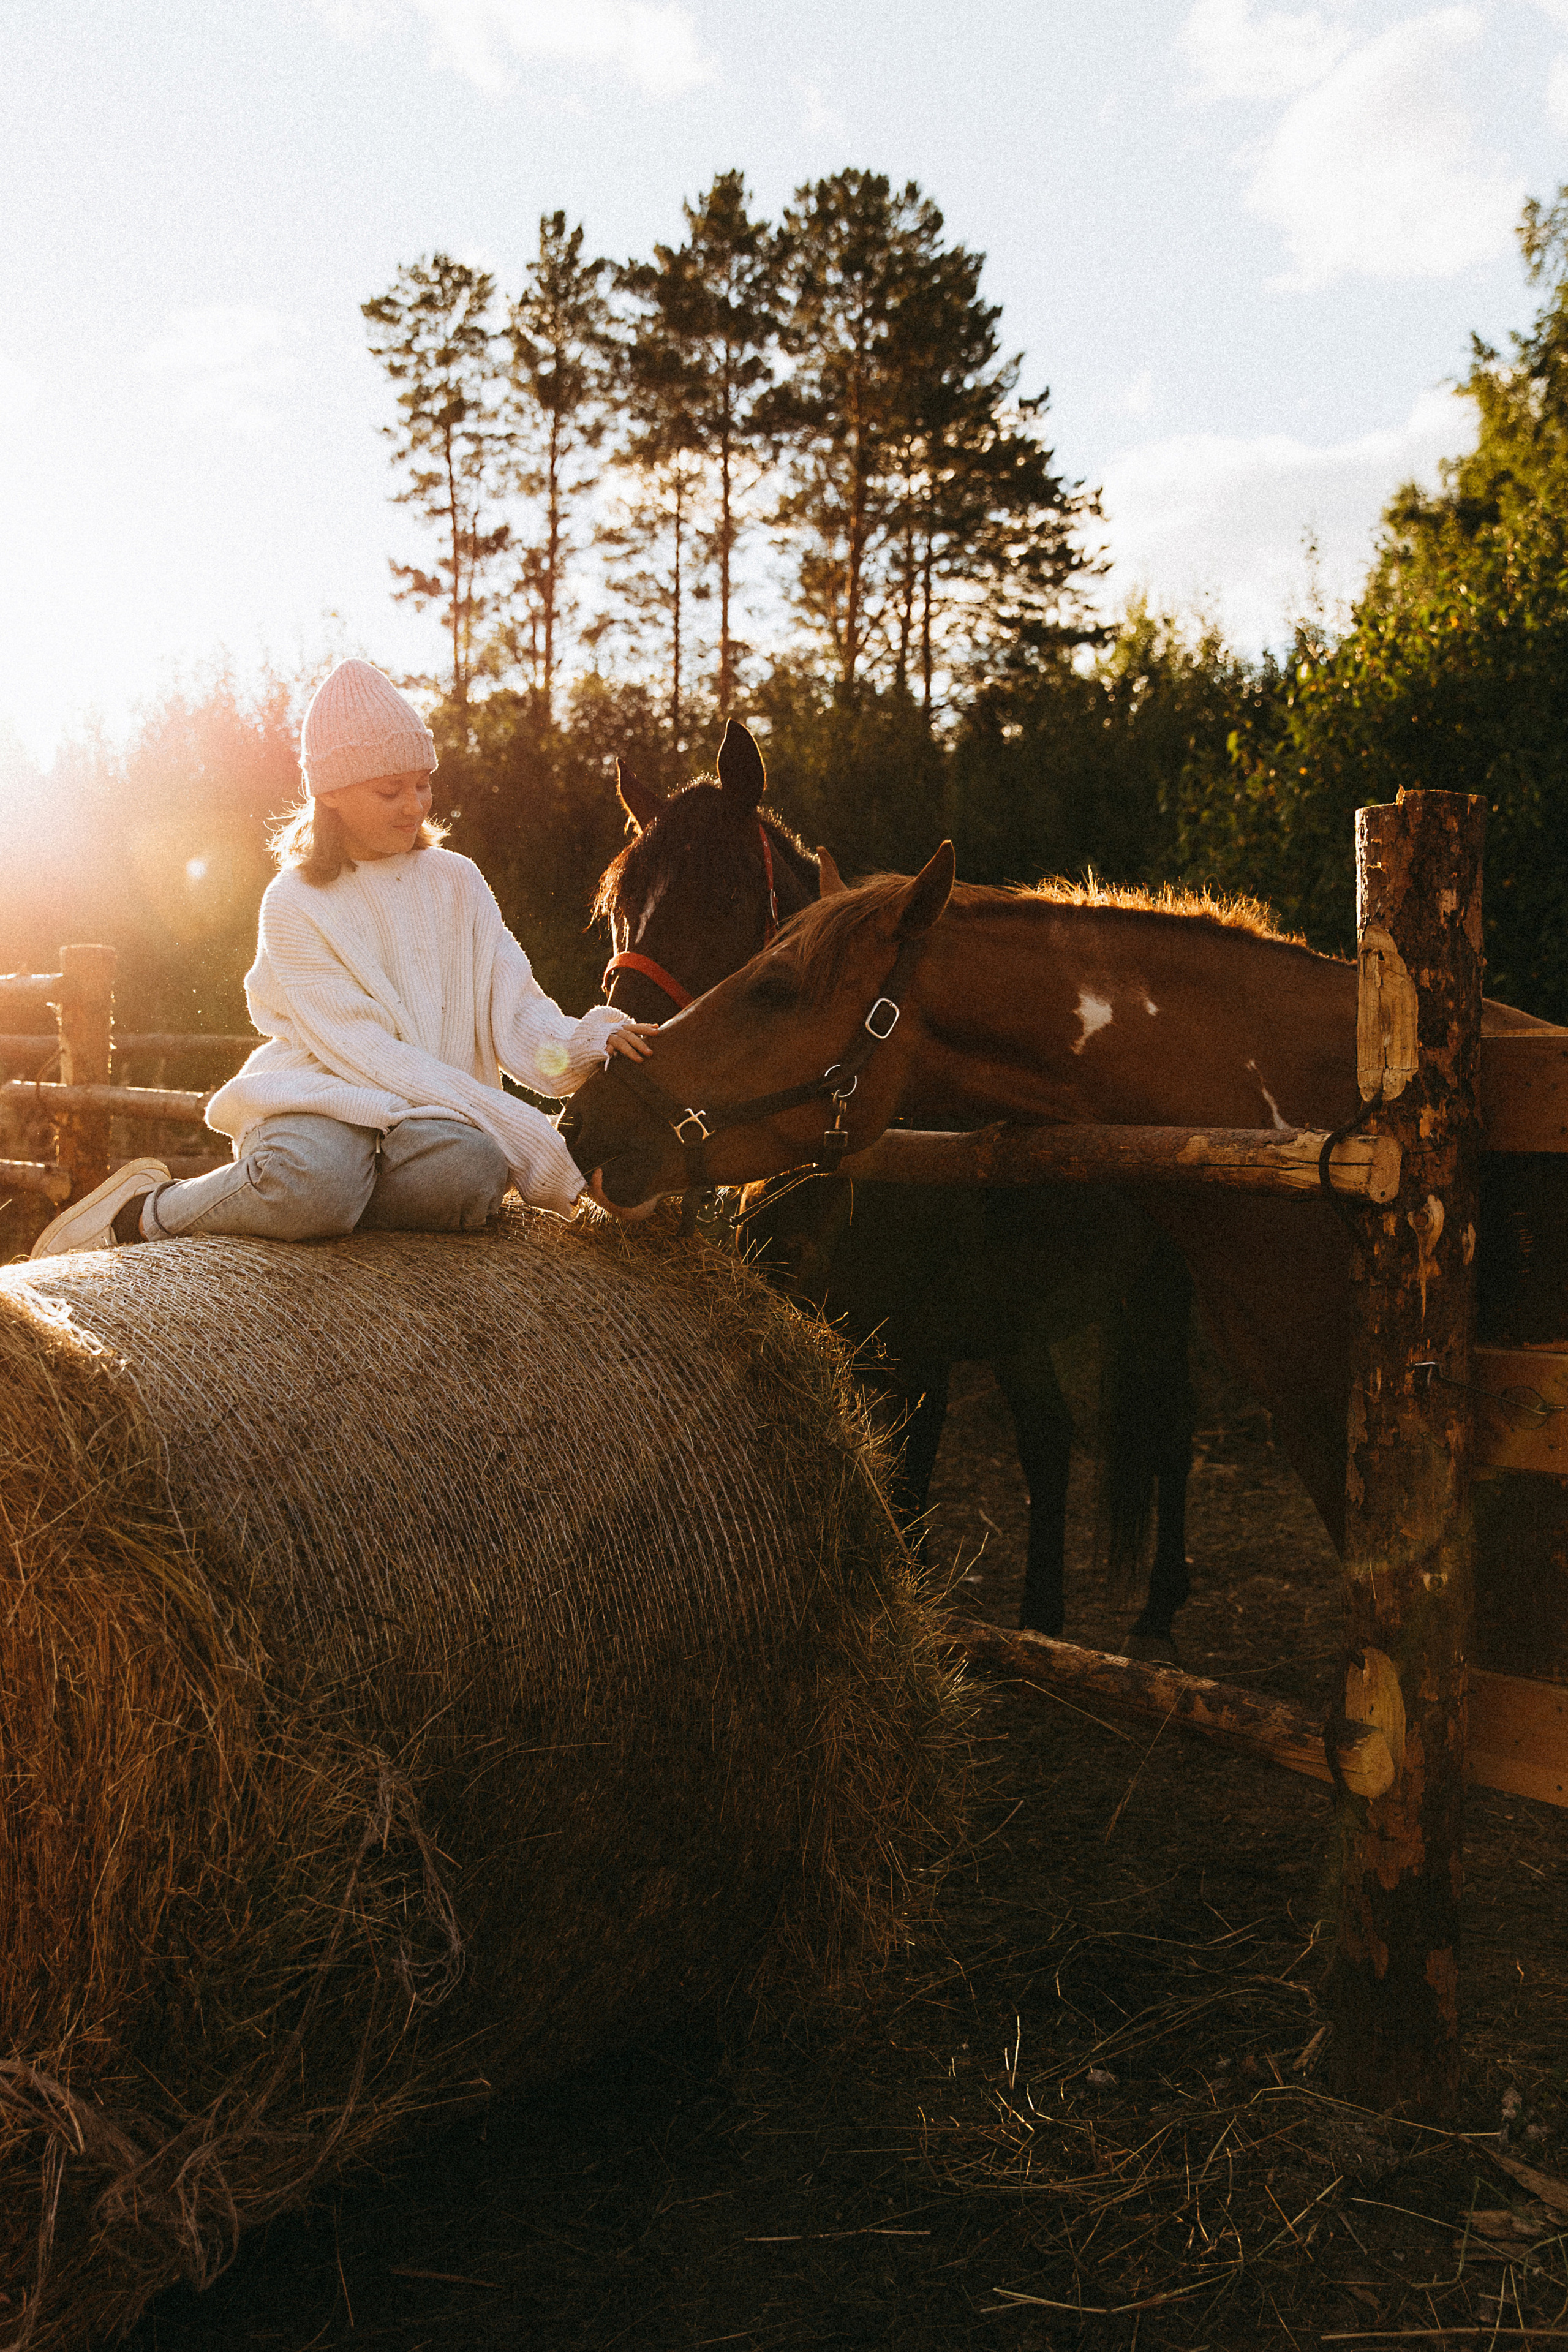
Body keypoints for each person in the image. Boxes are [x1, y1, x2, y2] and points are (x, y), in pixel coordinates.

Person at [32, 658, 657, 1259]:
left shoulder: (458, 880)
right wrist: (540, 1146)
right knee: (316, 1185)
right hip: (320, 1096)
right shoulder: (295, 901)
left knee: (471, 1175)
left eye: (422, 784)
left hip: (427, 1115)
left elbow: (518, 1015)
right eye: (391, 790)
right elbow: (370, 1055)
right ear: (329, 794)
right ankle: (148, 1209)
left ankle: (334, 1204)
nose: (414, 806)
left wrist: (589, 1043)